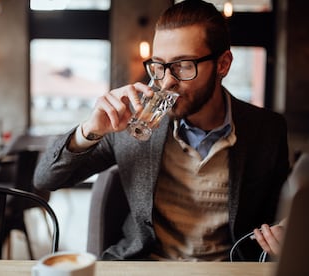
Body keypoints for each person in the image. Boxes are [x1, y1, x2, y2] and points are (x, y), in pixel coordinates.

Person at [34, 0, 290, 261]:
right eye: (159, 66)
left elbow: (283, 208)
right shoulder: (129, 125)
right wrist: (90, 129)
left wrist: (285, 229)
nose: (167, 82)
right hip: (147, 266)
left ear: (223, 64)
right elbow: (46, 179)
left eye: (183, 65)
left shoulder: (266, 130)